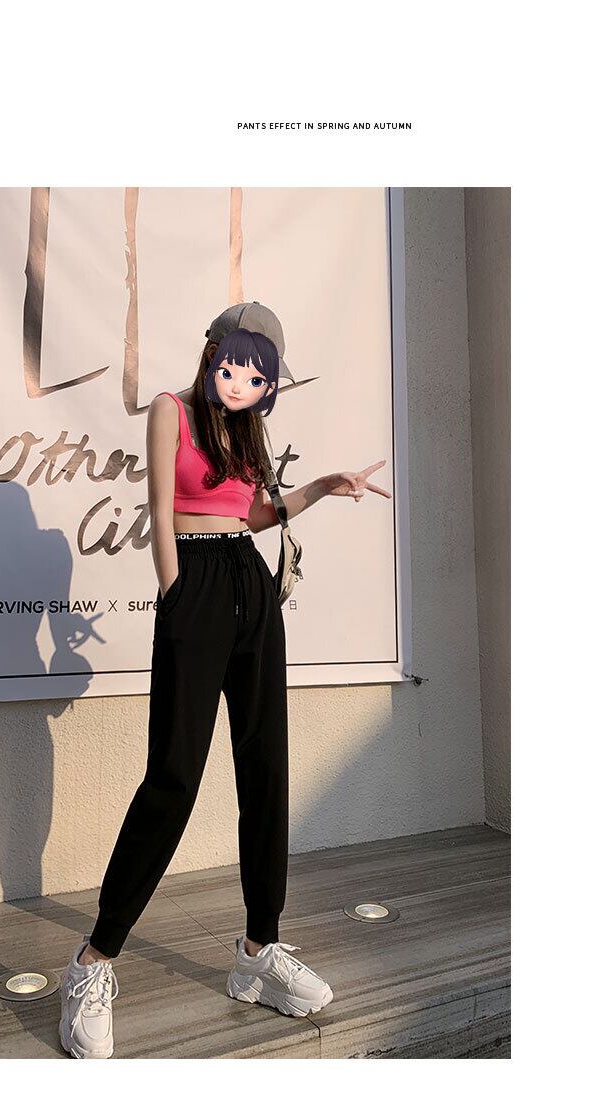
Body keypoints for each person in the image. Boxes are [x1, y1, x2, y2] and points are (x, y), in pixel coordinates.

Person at [58, 303, 392, 1059]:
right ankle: (93, 960)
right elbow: (161, 512)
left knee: (265, 770)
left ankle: (258, 952)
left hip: (251, 584)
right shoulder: (171, 409)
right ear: (214, 350)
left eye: (262, 369)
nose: (246, 376)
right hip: (198, 588)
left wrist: (322, 487)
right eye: (239, 357)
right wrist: (175, 594)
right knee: (173, 775)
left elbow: (255, 516)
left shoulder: (247, 430)